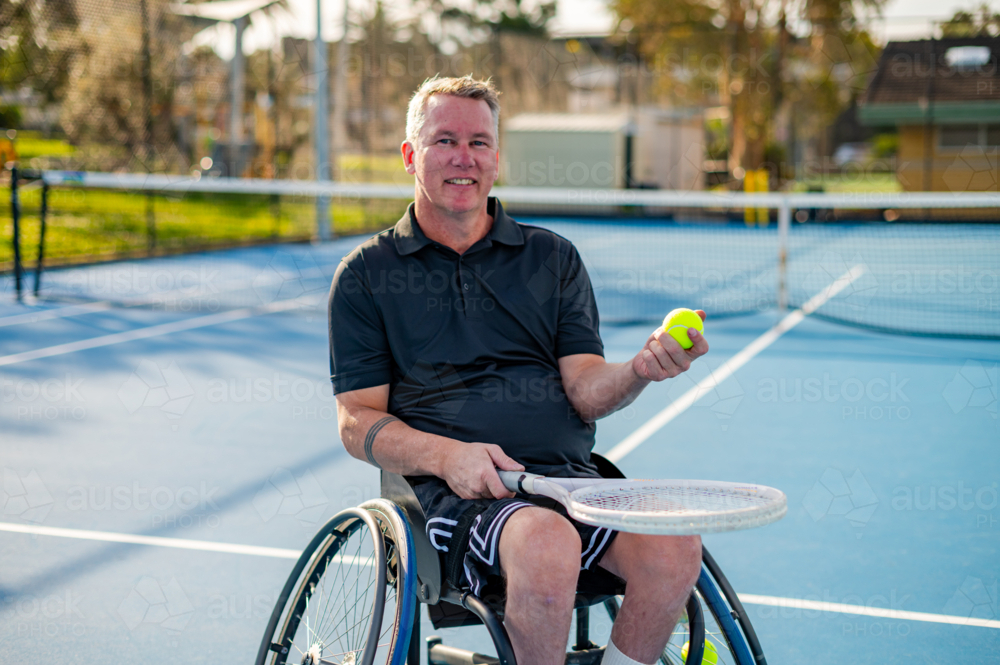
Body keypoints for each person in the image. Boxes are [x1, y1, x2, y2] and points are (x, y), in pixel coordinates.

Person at [329, 75, 709, 665]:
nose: (464, 157)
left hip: (566, 480)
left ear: (497, 160)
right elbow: (357, 421)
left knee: (677, 549)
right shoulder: (365, 275)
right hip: (451, 494)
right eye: (444, 141)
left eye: (479, 143)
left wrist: (638, 368)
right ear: (410, 155)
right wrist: (448, 456)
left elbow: (585, 390)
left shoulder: (552, 258)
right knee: (547, 541)